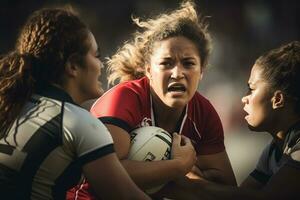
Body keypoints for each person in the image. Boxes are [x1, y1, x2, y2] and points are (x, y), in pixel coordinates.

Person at [69, 1, 236, 199]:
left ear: (202, 71)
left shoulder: (204, 112)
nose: (177, 73)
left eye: (188, 63)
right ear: (148, 70)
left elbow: (225, 186)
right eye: (166, 63)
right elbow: (108, 175)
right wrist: (178, 166)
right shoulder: (122, 99)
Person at [0, 7, 151, 200]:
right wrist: (180, 164)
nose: (101, 65)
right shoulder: (77, 122)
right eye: (96, 55)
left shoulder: (11, 102)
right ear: (72, 66)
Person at [172, 41, 300, 200]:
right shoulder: (275, 149)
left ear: (278, 99)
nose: (244, 99)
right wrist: (193, 177)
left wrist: (183, 180)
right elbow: (242, 195)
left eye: (251, 90)